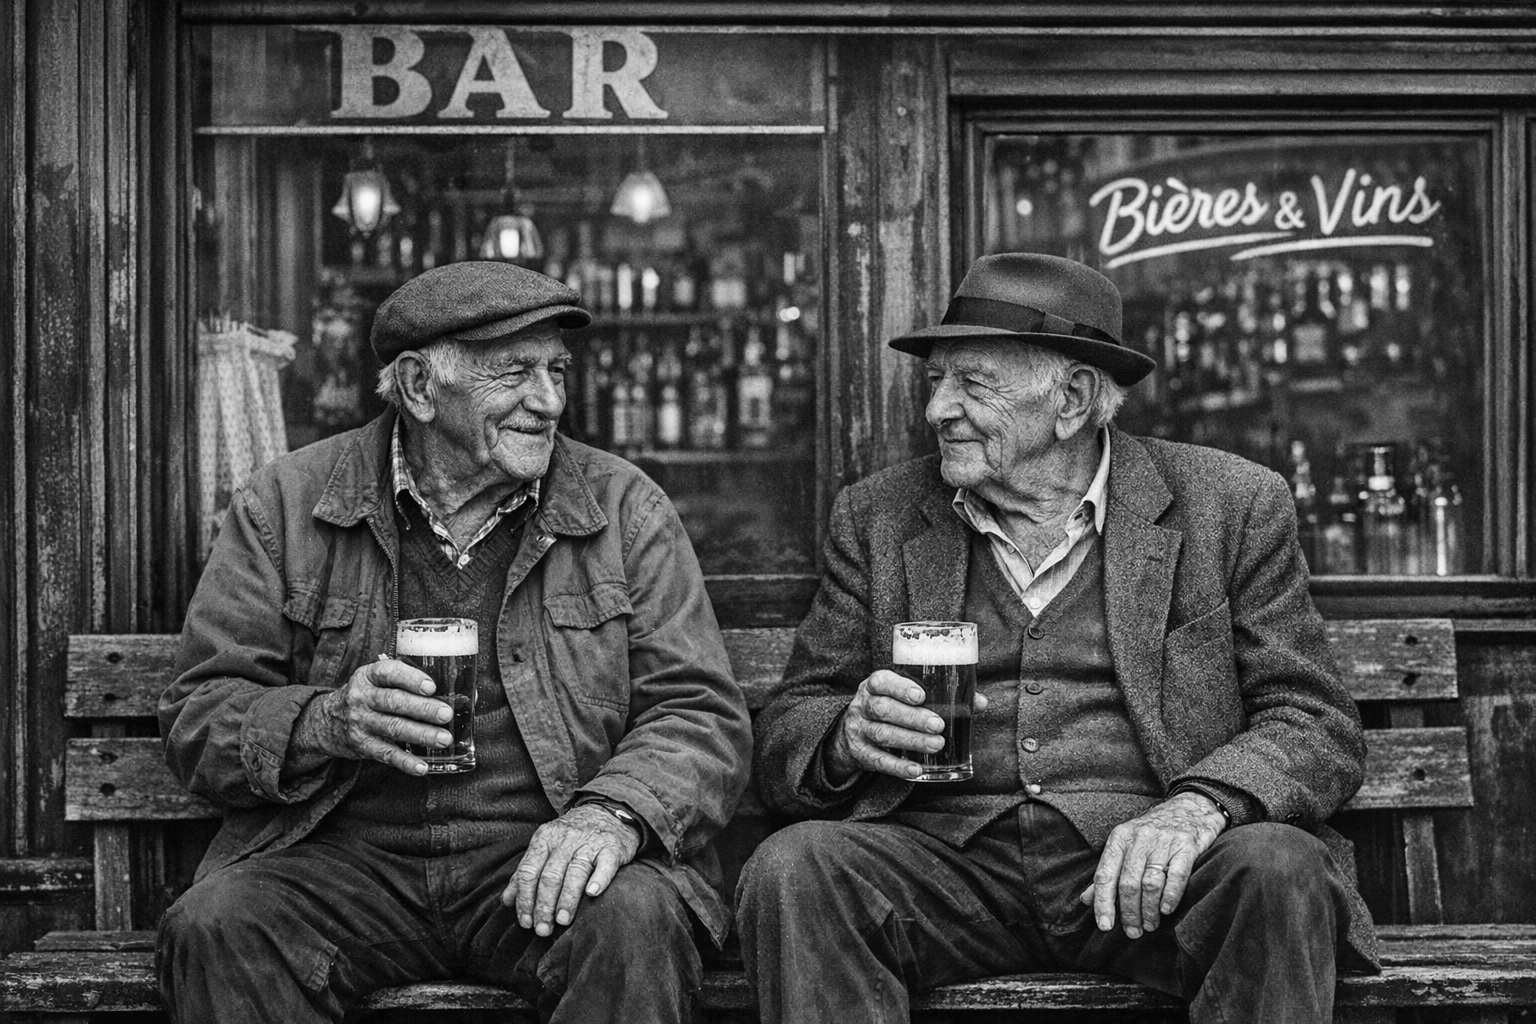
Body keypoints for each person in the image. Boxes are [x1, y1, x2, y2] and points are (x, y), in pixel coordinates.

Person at [736, 253, 1379, 1024]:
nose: (937, 409)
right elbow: (794, 722)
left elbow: (1315, 723)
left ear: (1072, 399)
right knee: (795, 868)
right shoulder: (878, 516)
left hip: (1154, 870)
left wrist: (1199, 807)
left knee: (1277, 868)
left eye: (972, 384)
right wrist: (844, 737)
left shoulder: (1230, 506)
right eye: (935, 381)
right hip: (946, 869)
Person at [157, 261, 751, 1023]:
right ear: (418, 388)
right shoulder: (286, 504)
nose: (549, 402)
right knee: (217, 925)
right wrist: (326, 722)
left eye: (557, 372)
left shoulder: (625, 508)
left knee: (635, 918)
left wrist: (611, 815)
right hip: (348, 866)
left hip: (541, 858)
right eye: (516, 375)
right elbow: (199, 715)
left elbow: (700, 713)